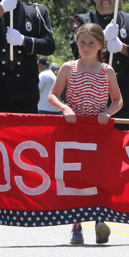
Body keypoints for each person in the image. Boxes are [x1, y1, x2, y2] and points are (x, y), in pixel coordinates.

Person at [48, 23, 122, 245]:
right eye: (82, 42)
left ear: (100, 45)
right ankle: (76, 224)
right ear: (76, 43)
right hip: (74, 130)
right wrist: (64, 108)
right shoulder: (68, 68)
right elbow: (53, 95)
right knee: (76, 178)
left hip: (99, 131)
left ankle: (100, 219)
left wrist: (108, 112)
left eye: (91, 43)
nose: (86, 47)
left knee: (97, 175)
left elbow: (118, 99)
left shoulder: (106, 70)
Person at [70, 0, 129, 126]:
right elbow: (75, 51)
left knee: (122, 145)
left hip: (123, 96)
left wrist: (122, 47)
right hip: (89, 97)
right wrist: (101, 39)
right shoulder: (83, 20)